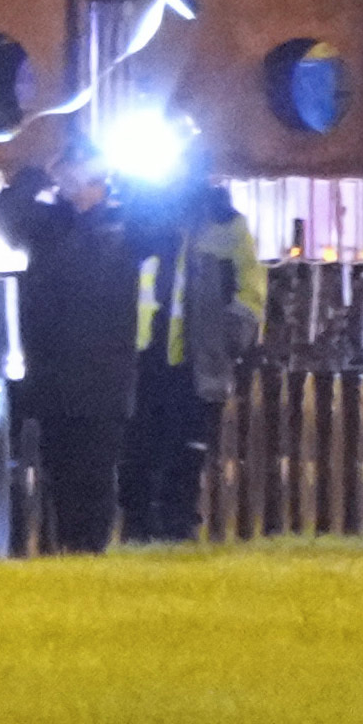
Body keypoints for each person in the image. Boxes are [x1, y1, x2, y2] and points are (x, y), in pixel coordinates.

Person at [0, 155, 143, 552]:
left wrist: (124, 179)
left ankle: (90, 549)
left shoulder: (125, 224)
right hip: (51, 372)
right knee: (58, 470)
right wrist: (37, 176)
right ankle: (66, 546)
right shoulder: (48, 224)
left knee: (95, 471)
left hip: (104, 376)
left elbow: (163, 220)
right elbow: (5, 215)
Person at [114, 146, 254, 545]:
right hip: (140, 355)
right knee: (137, 445)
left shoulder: (225, 224)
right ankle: (138, 524)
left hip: (193, 359)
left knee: (187, 447)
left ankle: (178, 524)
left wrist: (228, 340)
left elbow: (251, 290)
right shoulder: (139, 217)